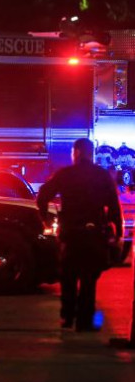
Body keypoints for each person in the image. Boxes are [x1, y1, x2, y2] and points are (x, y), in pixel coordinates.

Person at [37, 138, 123, 332]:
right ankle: (85, 321)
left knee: (68, 277)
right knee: (89, 279)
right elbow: (114, 207)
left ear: (75, 153)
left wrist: (46, 219)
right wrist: (116, 232)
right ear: (91, 154)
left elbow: (43, 196)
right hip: (94, 234)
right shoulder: (102, 175)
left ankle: (67, 317)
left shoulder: (65, 174)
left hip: (70, 234)